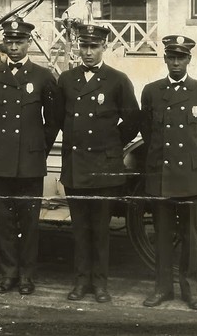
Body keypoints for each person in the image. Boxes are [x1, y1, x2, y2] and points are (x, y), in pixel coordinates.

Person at [55, 23, 140, 303]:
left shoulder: (117, 80)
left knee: (101, 230)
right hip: (76, 166)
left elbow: (132, 119)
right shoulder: (66, 80)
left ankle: (100, 285)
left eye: (94, 47)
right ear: (78, 47)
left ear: (104, 47)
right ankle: (81, 283)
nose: (88, 52)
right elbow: (57, 118)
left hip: (104, 167)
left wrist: (111, 142)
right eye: (84, 46)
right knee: (80, 230)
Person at [0, 19, 60, 295]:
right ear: (4, 43)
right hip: (0, 161)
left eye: (19, 42)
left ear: (28, 43)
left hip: (30, 163)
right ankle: (9, 273)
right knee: (4, 222)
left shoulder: (43, 76)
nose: (14, 47)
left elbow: (53, 122)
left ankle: (27, 275)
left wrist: (38, 149)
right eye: (9, 42)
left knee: (29, 222)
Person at [139, 34, 197, 311]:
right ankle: (162, 289)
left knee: (190, 236)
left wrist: (193, 161)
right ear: (164, 59)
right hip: (160, 176)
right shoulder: (151, 91)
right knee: (161, 236)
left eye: (181, 57)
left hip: (191, 178)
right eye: (171, 57)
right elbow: (148, 135)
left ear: (189, 60)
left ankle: (191, 291)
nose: (176, 62)